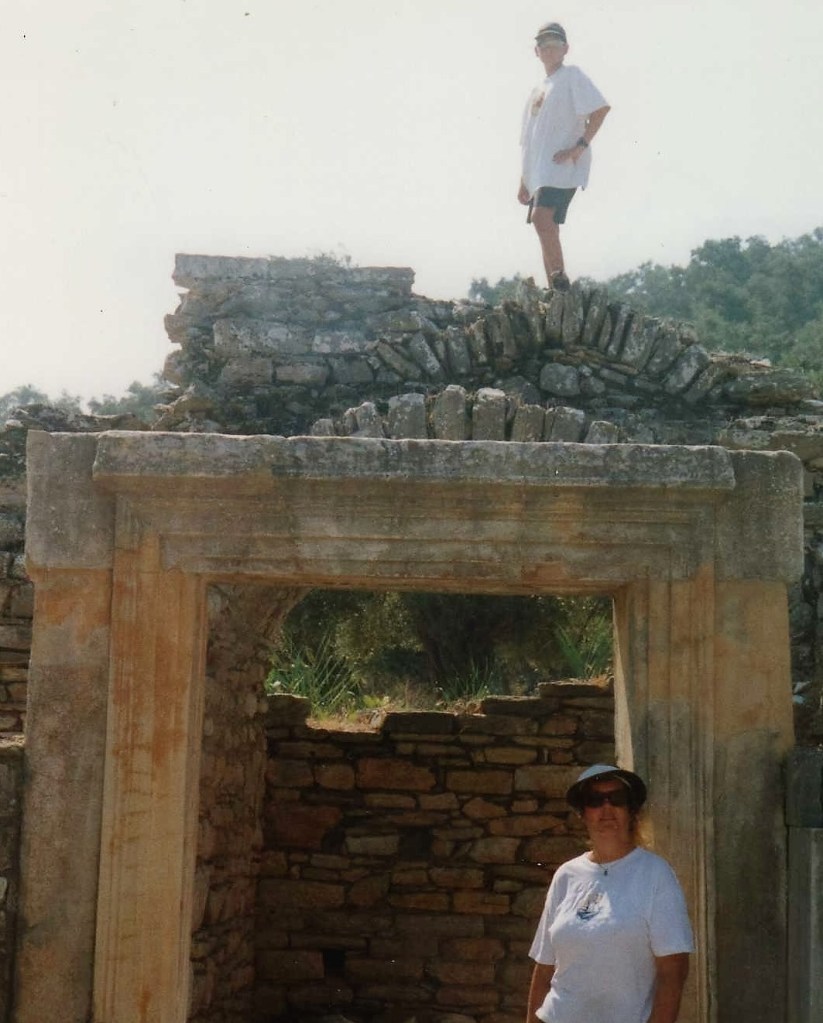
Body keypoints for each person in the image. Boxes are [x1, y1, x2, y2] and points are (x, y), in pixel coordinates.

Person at [526, 764, 694, 1023]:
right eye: (595, 800)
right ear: (582, 813)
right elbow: (545, 967)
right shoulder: (566, 875)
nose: (606, 809)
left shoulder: (655, 874)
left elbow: (673, 972)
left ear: (631, 810)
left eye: (617, 799)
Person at [518, 22, 611, 292]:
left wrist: (579, 147)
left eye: (554, 45)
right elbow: (529, 139)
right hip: (539, 172)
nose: (549, 50)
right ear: (536, 51)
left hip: (561, 167)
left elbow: (600, 109)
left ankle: (560, 282)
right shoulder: (537, 89)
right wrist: (524, 179)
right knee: (546, 226)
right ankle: (554, 291)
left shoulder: (572, 76)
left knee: (541, 219)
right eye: (543, 45)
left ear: (565, 48)